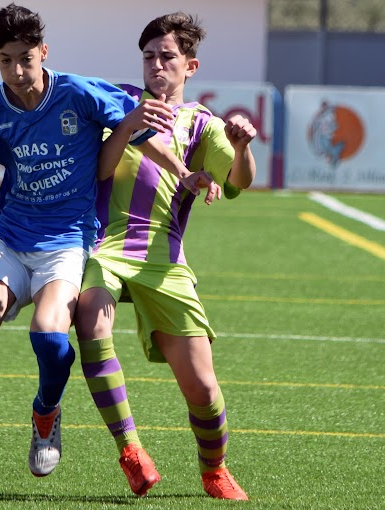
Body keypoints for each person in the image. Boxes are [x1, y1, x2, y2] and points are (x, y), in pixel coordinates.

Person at [0, 4, 218, 501]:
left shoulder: (77, 92)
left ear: (43, 53)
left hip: (68, 242)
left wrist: (183, 174)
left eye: (26, 59)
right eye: (6, 61)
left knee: (50, 340)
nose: (17, 72)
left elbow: (137, 132)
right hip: (10, 236)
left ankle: (45, 413)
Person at [74, 12, 256, 501]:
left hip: (165, 258)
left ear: (190, 66)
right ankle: (131, 449)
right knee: (89, 314)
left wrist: (240, 147)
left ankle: (214, 470)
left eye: (167, 56)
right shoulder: (120, 101)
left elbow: (239, 183)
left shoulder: (203, 124)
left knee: (202, 387)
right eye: (149, 56)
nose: (156, 64)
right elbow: (96, 166)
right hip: (105, 244)